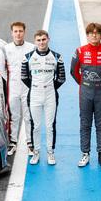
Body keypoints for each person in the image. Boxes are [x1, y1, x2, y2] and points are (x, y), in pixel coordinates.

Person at [70, 23, 101, 168]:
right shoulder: (80, 51)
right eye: (91, 33)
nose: (94, 35)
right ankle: (85, 153)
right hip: (85, 92)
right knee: (85, 123)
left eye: (97, 33)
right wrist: (85, 84)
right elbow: (73, 71)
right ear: (87, 35)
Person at [21, 30, 65, 166]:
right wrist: (35, 87)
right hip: (34, 94)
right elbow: (24, 77)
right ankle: (36, 152)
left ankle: (50, 152)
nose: (41, 42)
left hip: (50, 95)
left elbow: (62, 78)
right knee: (36, 126)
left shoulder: (57, 57)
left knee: (50, 125)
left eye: (44, 39)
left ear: (48, 39)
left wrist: (51, 87)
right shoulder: (27, 57)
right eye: (39, 40)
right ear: (35, 41)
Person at [3, 22, 35, 156]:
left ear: (24, 32)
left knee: (29, 116)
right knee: (13, 116)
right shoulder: (6, 48)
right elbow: (1, 68)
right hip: (13, 87)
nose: (18, 34)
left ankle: (30, 143)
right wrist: (10, 80)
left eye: (20, 31)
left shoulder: (32, 47)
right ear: (12, 33)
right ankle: (13, 142)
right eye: (15, 31)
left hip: (27, 87)